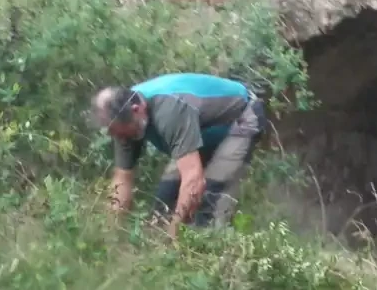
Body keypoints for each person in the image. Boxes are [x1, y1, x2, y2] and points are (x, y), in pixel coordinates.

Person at [94, 73, 266, 236]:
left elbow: (193, 180)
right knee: (163, 205)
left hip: (240, 119)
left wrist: (172, 235)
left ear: (136, 109)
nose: (120, 139)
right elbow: (122, 179)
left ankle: (208, 255)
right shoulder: (122, 121)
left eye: (121, 133)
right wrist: (110, 233)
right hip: (199, 131)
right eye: (115, 134)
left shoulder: (169, 110)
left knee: (209, 204)